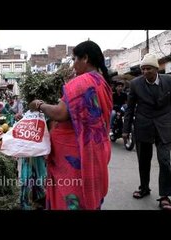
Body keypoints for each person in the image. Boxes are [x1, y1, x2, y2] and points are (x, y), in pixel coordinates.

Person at [28, 40, 113, 210]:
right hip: (95, 149)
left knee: (72, 194)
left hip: (75, 154)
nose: (73, 65)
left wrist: (39, 105)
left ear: (85, 58)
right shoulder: (101, 82)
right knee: (89, 193)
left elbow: (61, 113)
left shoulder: (82, 83)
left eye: (75, 59)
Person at [122, 53, 171, 210]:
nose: (145, 72)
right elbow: (130, 108)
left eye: (148, 69)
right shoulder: (135, 84)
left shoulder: (169, 81)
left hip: (164, 126)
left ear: (156, 69)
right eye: (142, 69)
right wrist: (125, 130)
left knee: (164, 161)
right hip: (143, 125)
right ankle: (144, 188)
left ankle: (164, 196)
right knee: (144, 160)